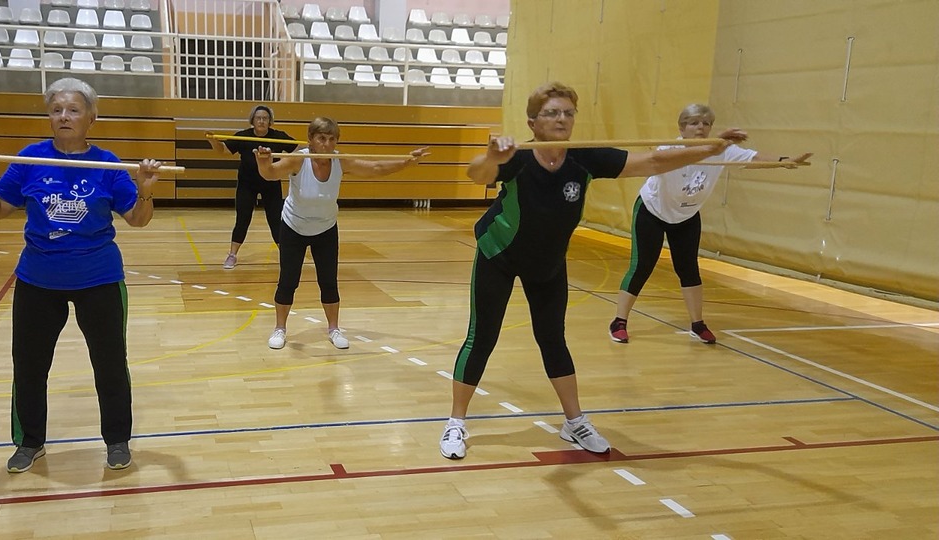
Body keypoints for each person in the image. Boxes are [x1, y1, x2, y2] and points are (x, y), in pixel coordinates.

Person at [439, 82, 749, 460]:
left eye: (568, 113)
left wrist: (710, 149)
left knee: (553, 340)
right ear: (533, 122)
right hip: (498, 255)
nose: (562, 119)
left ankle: (574, 421)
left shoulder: (585, 158)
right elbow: (476, 175)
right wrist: (492, 156)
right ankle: (456, 421)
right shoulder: (518, 155)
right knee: (482, 338)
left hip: (548, 264)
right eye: (552, 113)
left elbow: (652, 163)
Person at [0, 78, 163, 473]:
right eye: (56, 110)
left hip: (99, 278)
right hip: (38, 279)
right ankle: (30, 442)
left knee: (110, 365)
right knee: (29, 366)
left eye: (73, 110)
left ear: (91, 118)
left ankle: (117, 439)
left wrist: (146, 190)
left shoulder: (107, 164)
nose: (64, 116)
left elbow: (138, 220)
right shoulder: (31, 158)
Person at [609, 104, 812, 344]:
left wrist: (784, 161)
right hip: (652, 211)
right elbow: (657, 158)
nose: (701, 128)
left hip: (686, 216)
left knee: (688, 269)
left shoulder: (723, 150)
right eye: (694, 123)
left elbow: (754, 157)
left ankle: (698, 324)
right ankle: (619, 321)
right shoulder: (669, 148)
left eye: (706, 124)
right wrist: (712, 147)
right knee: (642, 266)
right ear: (682, 129)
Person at [254, 117, 428, 351]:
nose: (326, 144)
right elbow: (270, 173)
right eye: (321, 138)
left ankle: (334, 329)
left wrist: (407, 161)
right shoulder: (299, 160)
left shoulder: (340, 161)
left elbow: (375, 168)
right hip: (294, 227)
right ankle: (280, 329)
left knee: (328, 281)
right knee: (288, 281)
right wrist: (263, 162)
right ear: (311, 140)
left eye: (331, 139)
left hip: (325, 228)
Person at [205, 105, 299, 269]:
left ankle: (286, 254)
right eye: (258, 118)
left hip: (271, 183)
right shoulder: (243, 136)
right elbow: (223, 150)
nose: (261, 121)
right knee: (242, 219)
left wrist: (288, 162)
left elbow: (298, 149)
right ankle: (232, 255)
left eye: (265, 118)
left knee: (276, 220)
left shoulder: (278, 136)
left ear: (270, 121)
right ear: (253, 120)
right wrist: (214, 141)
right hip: (247, 184)